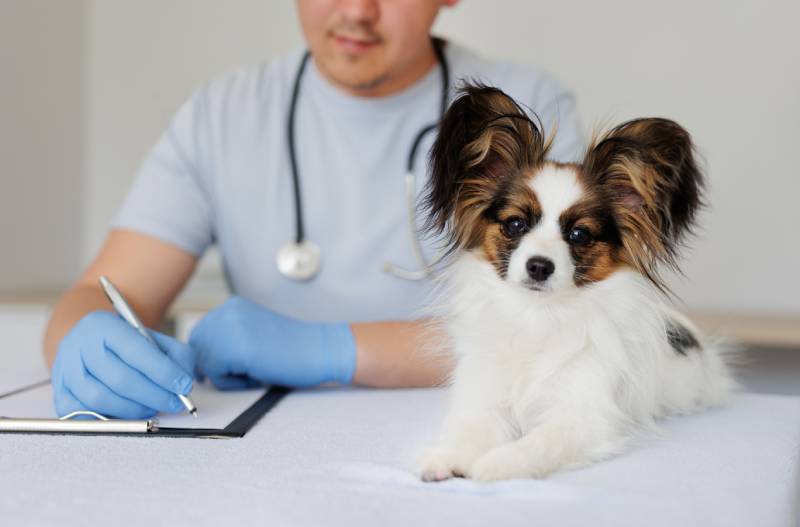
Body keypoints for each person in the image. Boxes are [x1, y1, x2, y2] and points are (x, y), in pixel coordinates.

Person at [43, 0, 585, 419]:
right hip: (262, 450)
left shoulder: (522, 109)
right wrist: (84, 343)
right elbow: (104, 291)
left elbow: (562, 329)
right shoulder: (224, 113)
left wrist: (332, 349)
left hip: (463, 426)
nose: (356, 11)